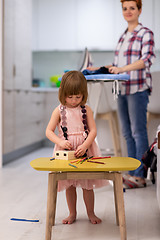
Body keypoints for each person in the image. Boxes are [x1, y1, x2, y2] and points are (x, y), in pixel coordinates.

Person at [88, 0, 156, 188]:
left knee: (137, 131)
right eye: (124, 8)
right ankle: (132, 172)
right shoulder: (122, 36)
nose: (128, 11)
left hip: (137, 88)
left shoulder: (145, 33)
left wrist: (123, 69)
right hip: (121, 89)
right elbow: (116, 64)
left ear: (139, 10)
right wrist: (100, 68)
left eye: (132, 8)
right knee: (126, 133)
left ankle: (140, 176)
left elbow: (147, 59)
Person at [46, 70, 108, 224]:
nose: (74, 100)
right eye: (70, 96)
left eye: (78, 97)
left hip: (85, 151)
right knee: (70, 184)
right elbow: (48, 131)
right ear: (62, 94)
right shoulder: (59, 110)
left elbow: (93, 130)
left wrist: (85, 144)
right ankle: (72, 213)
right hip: (66, 152)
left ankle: (91, 213)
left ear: (84, 94)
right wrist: (60, 142)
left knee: (87, 185)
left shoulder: (86, 110)